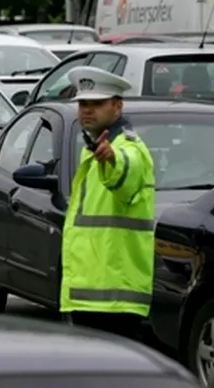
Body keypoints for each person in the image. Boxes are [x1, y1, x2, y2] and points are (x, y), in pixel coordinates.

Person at [60, 66, 156, 339]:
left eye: (97, 104)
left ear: (117, 107)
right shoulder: (91, 149)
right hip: (92, 295)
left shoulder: (127, 148)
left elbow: (124, 172)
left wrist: (112, 158)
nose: (87, 110)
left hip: (114, 300)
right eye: (83, 103)